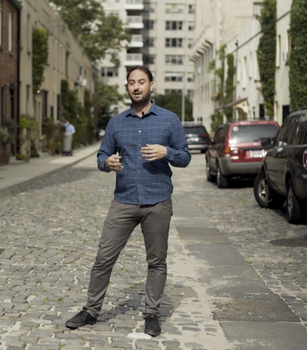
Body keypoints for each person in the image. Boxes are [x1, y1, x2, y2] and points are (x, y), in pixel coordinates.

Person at [65, 66, 191, 336]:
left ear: (151, 86)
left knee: (156, 261)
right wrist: (106, 163)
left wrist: (166, 151)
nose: (136, 87)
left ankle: (152, 313)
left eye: (141, 82)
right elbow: (101, 156)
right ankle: (90, 311)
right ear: (127, 87)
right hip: (123, 201)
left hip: (158, 201)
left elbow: (185, 156)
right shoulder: (116, 122)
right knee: (103, 258)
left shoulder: (169, 120)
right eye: (131, 83)